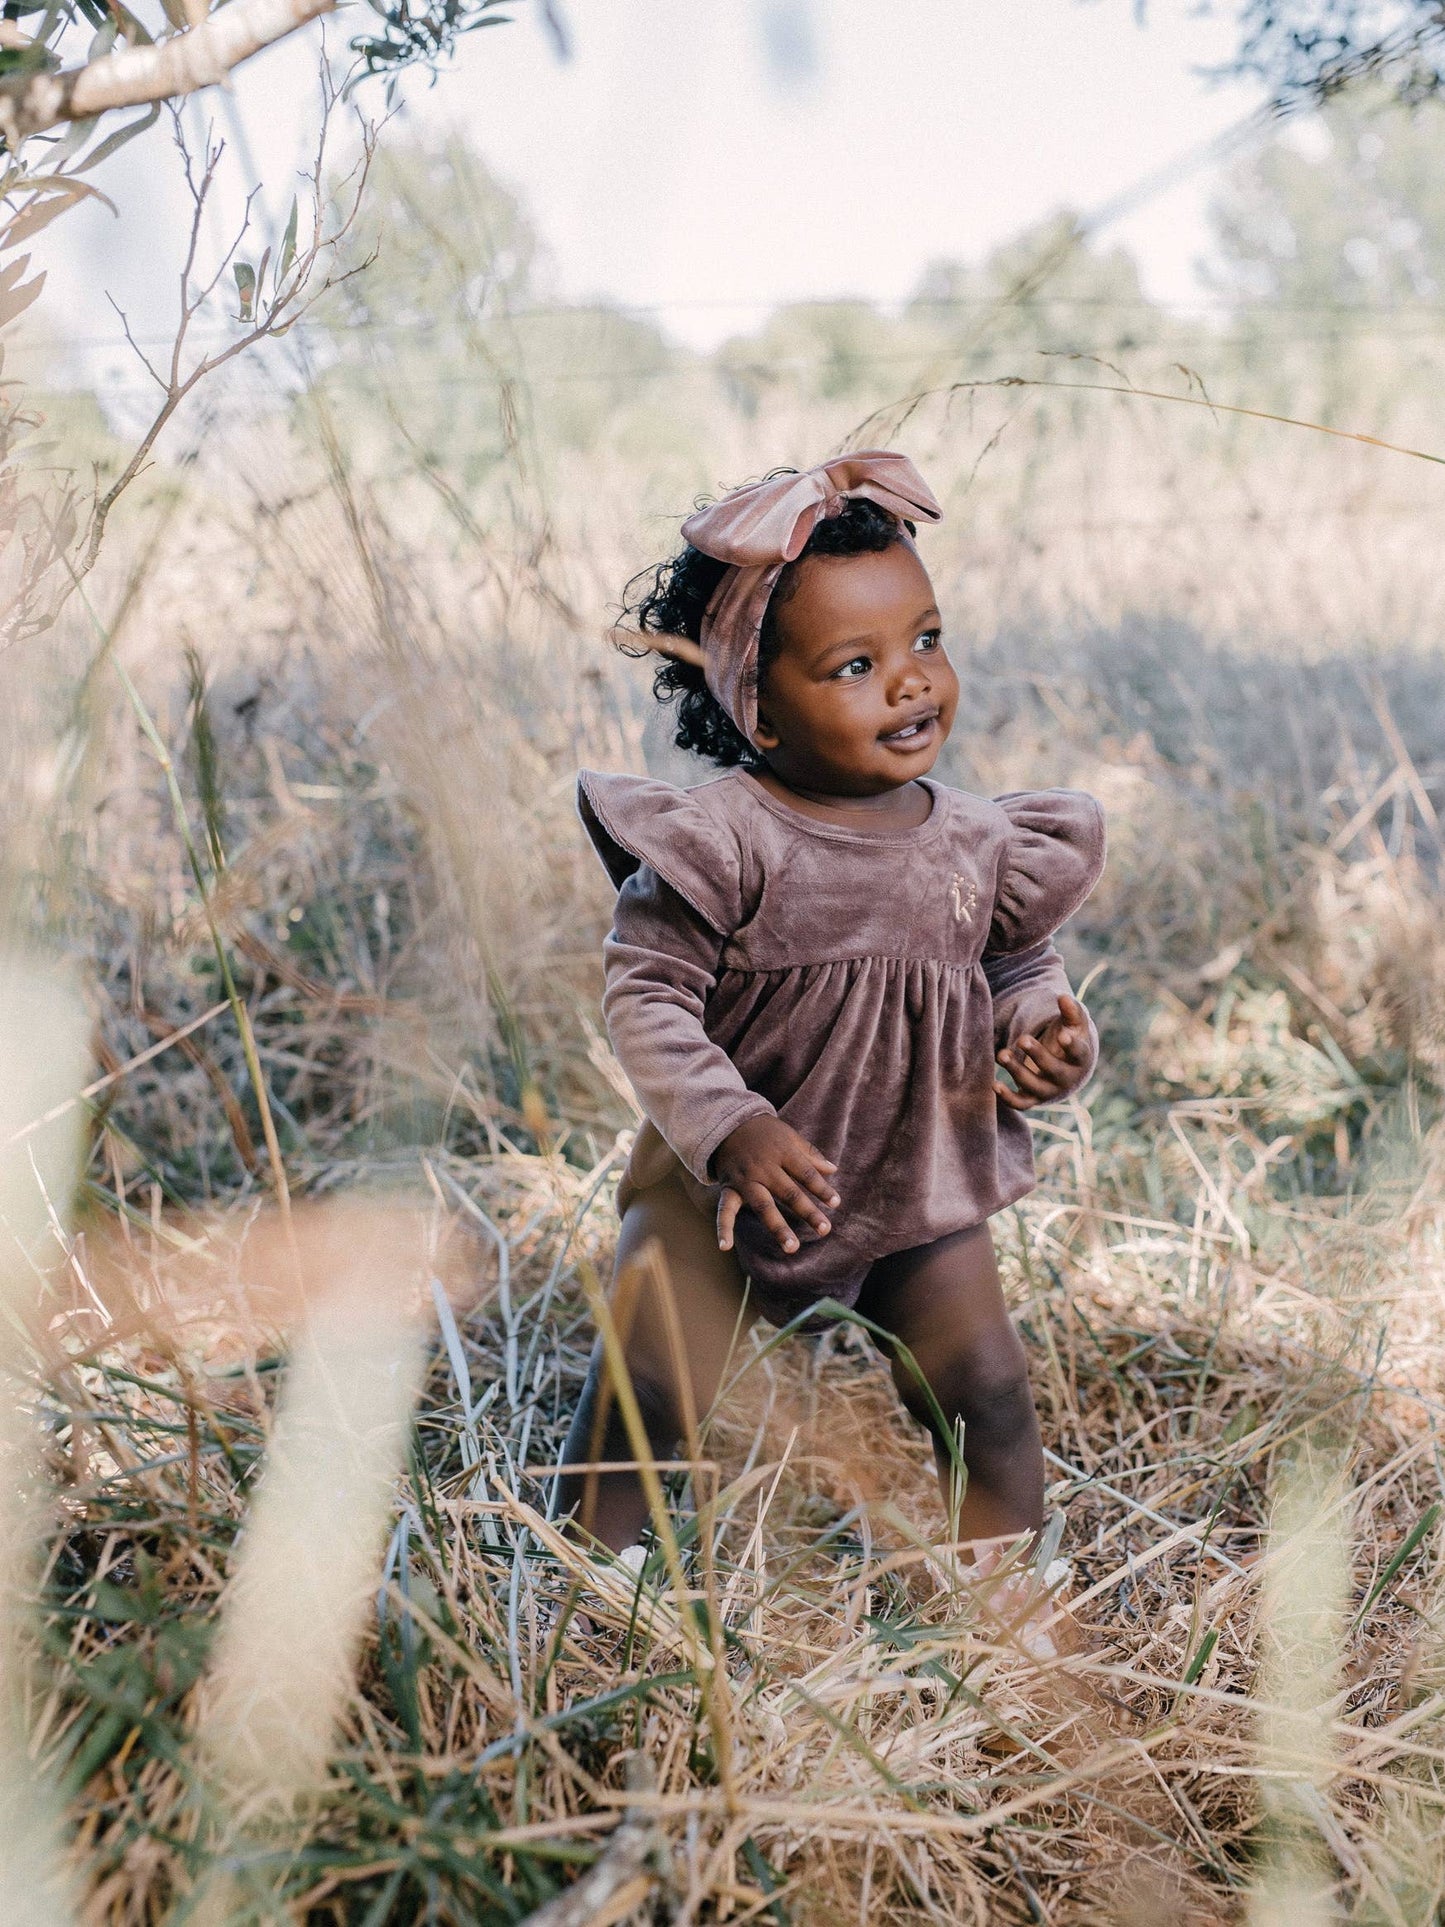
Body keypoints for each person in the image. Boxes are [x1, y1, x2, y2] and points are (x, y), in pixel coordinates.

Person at [556, 452, 1104, 1579]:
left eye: (927, 640)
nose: (910, 682)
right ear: (756, 708)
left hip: (915, 1184)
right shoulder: (724, 840)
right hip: (730, 1192)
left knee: (984, 1388)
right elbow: (646, 993)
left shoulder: (972, 837)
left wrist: (1041, 1023)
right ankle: (591, 1575)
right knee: (647, 1383)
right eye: (854, 665)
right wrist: (727, 1125)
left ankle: (1000, 1575)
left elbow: (1013, 961)